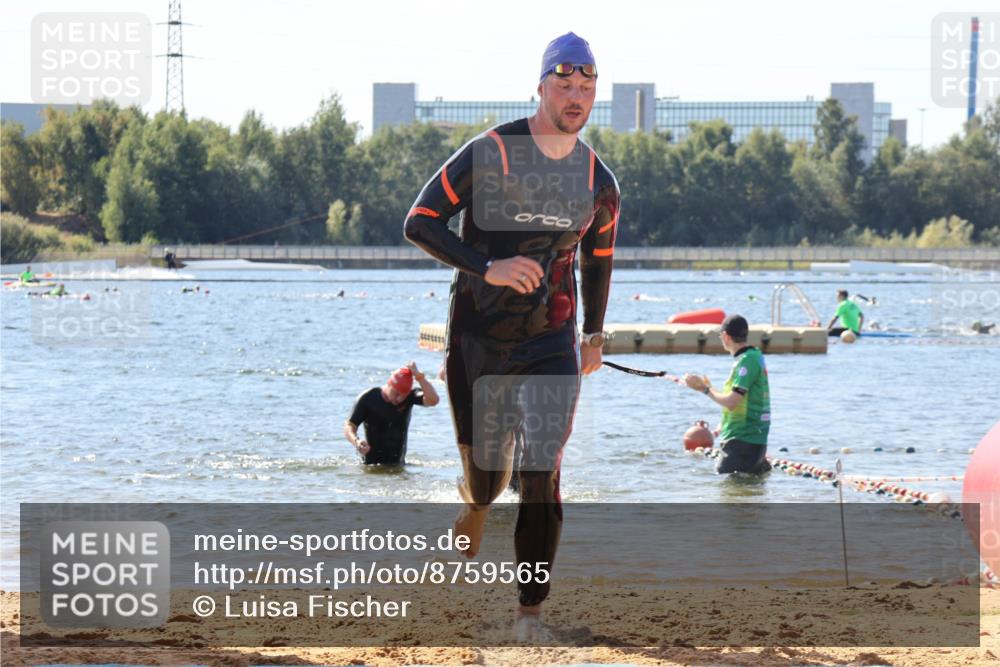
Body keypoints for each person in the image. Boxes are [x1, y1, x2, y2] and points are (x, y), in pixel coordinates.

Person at [403, 31, 619, 639]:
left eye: (587, 87)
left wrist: (594, 335)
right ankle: (475, 503)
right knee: (489, 477)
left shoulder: (598, 182)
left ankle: (530, 613)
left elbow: (599, 259)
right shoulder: (490, 153)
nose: (576, 97)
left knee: (542, 470)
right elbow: (419, 222)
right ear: (541, 86)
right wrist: (486, 266)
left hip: (551, 340)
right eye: (565, 84)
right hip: (478, 337)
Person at [680, 315, 772, 475]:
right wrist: (718, 429)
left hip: (742, 442)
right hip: (753, 442)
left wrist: (704, 389)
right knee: (748, 489)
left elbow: (732, 402)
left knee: (725, 486)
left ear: (725, 336)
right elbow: (743, 403)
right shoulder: (754, 355)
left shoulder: (746, 361)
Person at [344, 362, 439, 465]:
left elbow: (433, 400)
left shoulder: (410, 397)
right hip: (372, 466)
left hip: (398, 465)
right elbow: (350, 426)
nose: (399, 399)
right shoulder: (368, 398)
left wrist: (419, 377)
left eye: (403, 395)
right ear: (389, 384)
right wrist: (356, 441)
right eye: (396, 393)